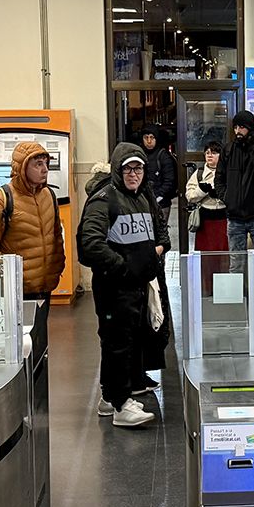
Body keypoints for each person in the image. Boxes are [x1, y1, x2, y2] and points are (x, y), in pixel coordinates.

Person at [78, 143, 169, 428]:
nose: (133, 173)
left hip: (137, 286)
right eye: (128, 168)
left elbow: (156, 232)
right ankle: (121, 405)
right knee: (117, 343)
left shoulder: (142, 197)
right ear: (118, 169)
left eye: (138, 167)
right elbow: (90, 245)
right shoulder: (104, 200)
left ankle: (111, 397)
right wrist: (123, 268)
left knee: (124, 342)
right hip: (114, 287)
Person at [0, 140, 66, 300]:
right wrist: (8, 277)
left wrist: (56, 268)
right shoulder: (0, 200)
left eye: (46, 163)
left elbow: (56, 236)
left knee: (40, 325)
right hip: (15, 291)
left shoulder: (49, 196)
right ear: (22, 168)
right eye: (38, 164)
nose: (45, 169)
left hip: (45, 286)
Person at [217, 110, 254, 326]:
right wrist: (227, 198)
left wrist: (252, 148)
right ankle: (235, 308)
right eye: (235, 127)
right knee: (236, 264)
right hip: (235, 216)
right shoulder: (228, 149)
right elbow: (219, 178)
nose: (238, 131)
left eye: (242, 127)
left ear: (250, 128)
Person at [185, 141, 228, 255]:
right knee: (205, 257)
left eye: (214, 153)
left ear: (221, 155)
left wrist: (221, 194)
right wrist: (202, 191)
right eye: (207, 152)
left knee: (224, 256)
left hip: (224, 220)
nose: (209, 155)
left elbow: (236, 195)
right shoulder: (199, 173)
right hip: (205, 221)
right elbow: (189, 196)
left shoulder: (228, 172)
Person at [140, 126, 178, 221]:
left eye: (152, 137)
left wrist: (157, 196)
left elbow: (169, 180)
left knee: (160, 232)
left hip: (161, 202)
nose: (149, 141)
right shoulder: (139, 154)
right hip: (143, 201)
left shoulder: (163, 156)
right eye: (146, 138)